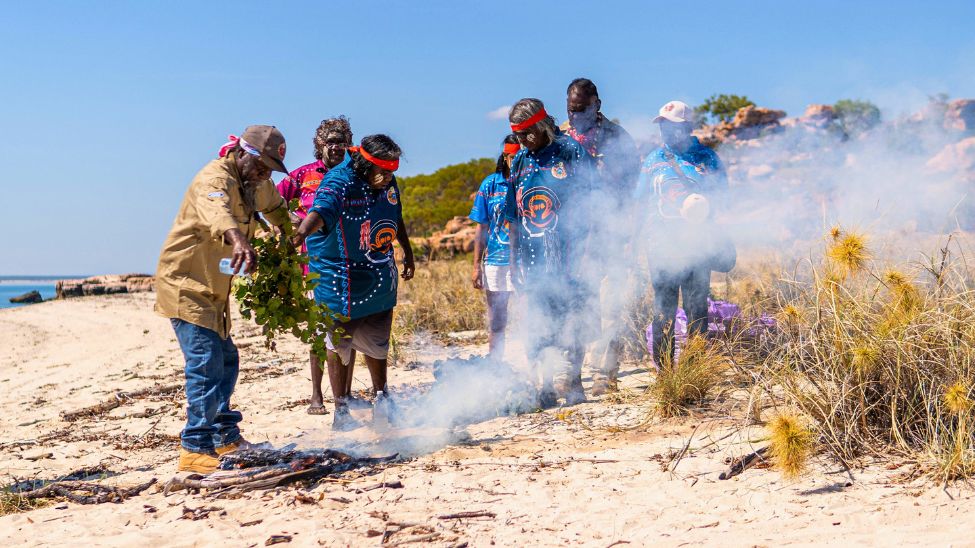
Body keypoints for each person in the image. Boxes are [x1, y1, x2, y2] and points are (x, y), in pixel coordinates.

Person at [155, 125, 292, 474]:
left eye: (270, 170)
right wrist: (240, 239)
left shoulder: (253, 183)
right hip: (187, 284)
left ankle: (224, 436)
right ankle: (194, 448)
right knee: (205, 362)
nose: (265, 174)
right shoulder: (213, 180)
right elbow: (220, 215)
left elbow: (276, 207)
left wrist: (294, 231)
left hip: (216, 289)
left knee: (227, 359)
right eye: (261, 165)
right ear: (242, 153)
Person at [292, 134, 415, 430]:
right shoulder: (339, 180)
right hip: (340, 278)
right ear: (364, 164)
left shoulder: (387, 180)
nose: (387, 178)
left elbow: (395, 216)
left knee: (378, 339)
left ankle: (383, 398)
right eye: (383, 172)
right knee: (338, 341)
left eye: (391, 173)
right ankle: (342, 410)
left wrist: (407, 252)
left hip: (378, 275)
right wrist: (297, 238)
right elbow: (320, 213)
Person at [505, 98, 595, 406]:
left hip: (570, 257)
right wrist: (514, 262)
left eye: (527, 132)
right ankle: (542, 385)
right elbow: (513, 219)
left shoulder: (571, 152)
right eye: (518, 135)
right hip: (533, 262)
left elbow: (594, 205)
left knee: (572, 320)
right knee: (539, 322)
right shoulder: (519, 162)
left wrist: (587, 254)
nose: (523, 140)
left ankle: (573, 382)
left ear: (542, 125)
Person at [636, 100, 730, 370]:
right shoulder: (654, 159)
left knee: (696, 307)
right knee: (663, 309)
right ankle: (665, 374)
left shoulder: (708, 158)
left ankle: (696, 370)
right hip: (661, 246)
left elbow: (723, 197)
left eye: (672, 125)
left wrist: (703, 207)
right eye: (662, 125)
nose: (666, 130)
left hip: (696, 244)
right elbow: (640, 201)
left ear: (688, 127)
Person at [561, 78, 640, 395]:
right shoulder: (563, 139)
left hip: (611, 235)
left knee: (610, 305)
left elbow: (632, 188)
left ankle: (605, 376)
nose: (575, 115)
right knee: (578, 306)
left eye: (581, 109)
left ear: (597, 105)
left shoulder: (618, 138)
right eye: (570, 110)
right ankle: (572, 377)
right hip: (574, 239)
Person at [276, 117, 356, 416]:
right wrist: (291, 224)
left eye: (341, 141)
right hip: (314, 269)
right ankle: (316, 395)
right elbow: (272, 201)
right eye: (329, 142)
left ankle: (344, 395)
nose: (335, 147)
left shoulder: (355, 175)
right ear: (318, 145)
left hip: (351, 266)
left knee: (349, 333)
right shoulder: (303, 176)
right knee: (320, 332)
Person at [470, 135, 520, 360]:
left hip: (523, 260)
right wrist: (476, 267)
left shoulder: (529, 181)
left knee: (532, 316)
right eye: (512, 157)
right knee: (497, 319)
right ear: (505, 157)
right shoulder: (491, 184)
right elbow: (481, 227)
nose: (516, 161)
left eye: (520, 156)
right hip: (495, 262)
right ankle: (496, 367)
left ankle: (535, 369)